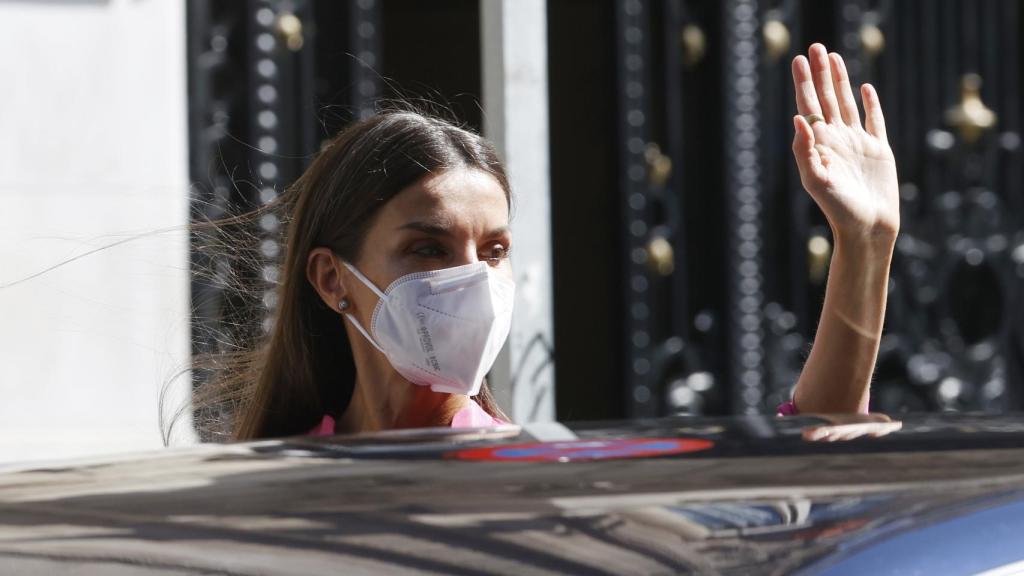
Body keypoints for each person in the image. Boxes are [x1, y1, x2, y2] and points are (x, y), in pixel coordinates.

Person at [218, 43, 897, 440]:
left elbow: (805, 472)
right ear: (333, 279)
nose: (473, 281)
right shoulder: (269, 487)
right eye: (428, 249)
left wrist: (865, 245)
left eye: (494, 252)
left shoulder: (536, 475)